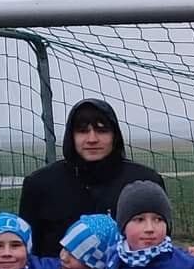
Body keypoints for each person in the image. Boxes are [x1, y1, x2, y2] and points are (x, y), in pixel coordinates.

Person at [17, 98, 167, 259]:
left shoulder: (144, 182)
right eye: (82, 131)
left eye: (102, 130)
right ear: (71, 136)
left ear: (115, 135)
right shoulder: (40, 184)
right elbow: (27, 251)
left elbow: (162, 246)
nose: (92, 139)